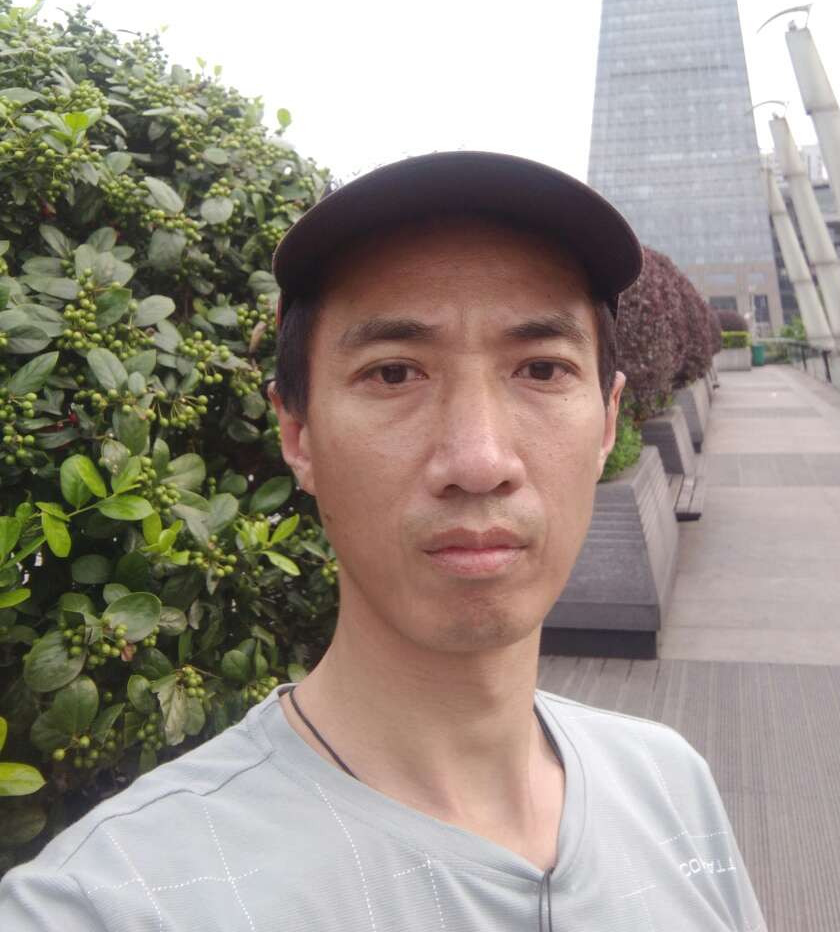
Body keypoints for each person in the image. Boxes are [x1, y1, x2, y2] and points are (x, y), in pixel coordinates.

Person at [0, 151, 766, 931]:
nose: (479, 462)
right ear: (298, 435)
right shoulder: (117, 901)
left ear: (607, 422)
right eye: (394, 374)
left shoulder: (672, 789)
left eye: (541, 368)